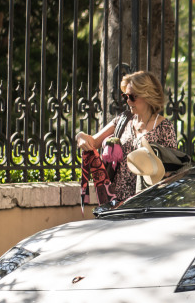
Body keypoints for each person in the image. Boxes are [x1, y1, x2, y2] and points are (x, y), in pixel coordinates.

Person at [76, 70, 178, 203]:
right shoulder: (123, 120)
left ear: (147, 95)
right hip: (118, 201)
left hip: (148, 201)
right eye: (126, 97)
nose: (128, 102)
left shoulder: (164, 127)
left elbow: (173, 170)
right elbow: (94, 142)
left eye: (132, 97)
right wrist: (80, 136)